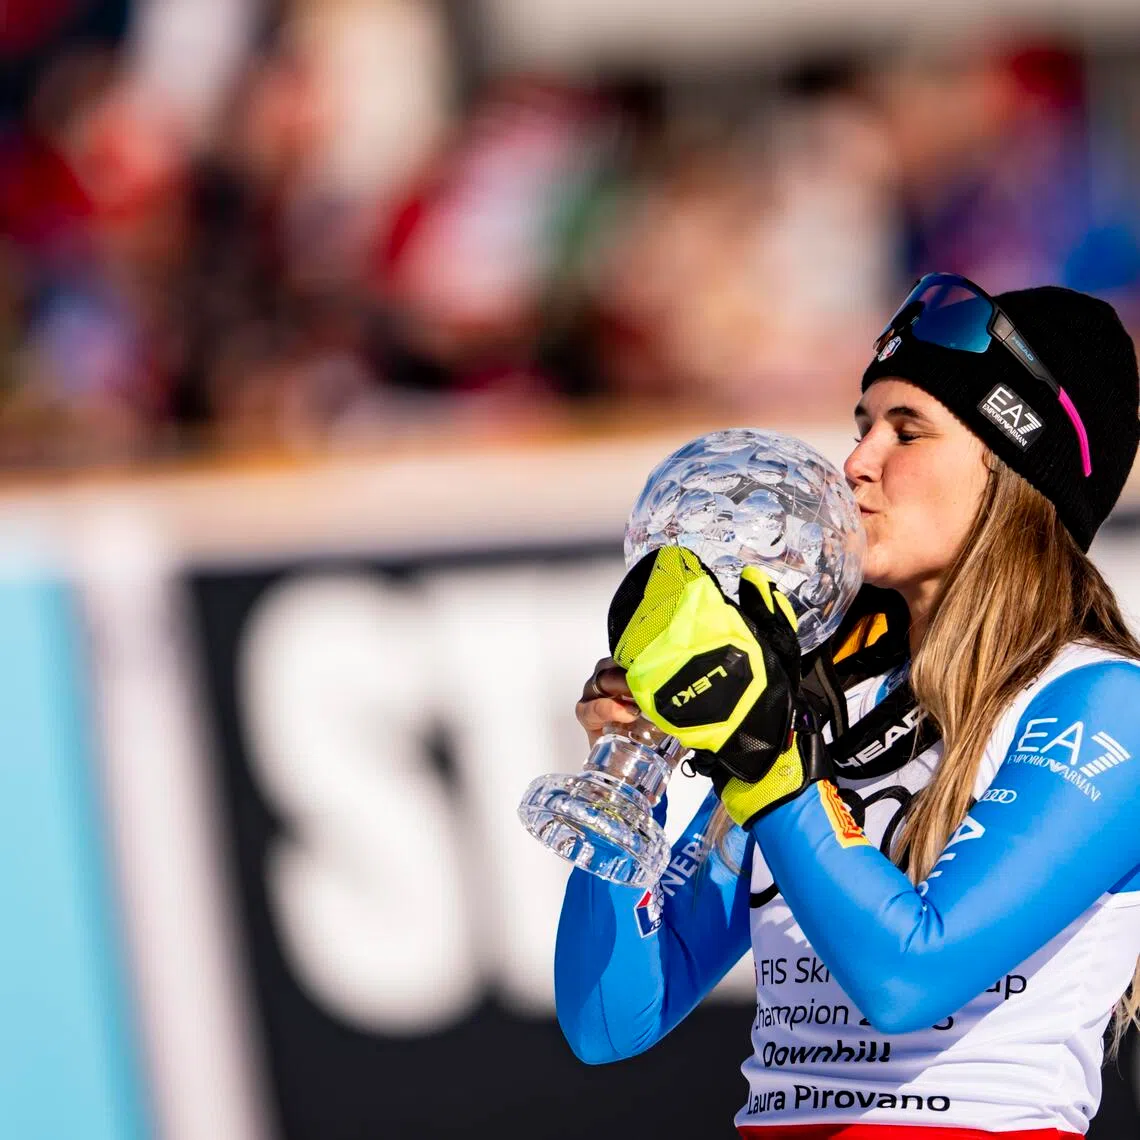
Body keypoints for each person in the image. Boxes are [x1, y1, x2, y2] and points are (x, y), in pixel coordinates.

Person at [555, 272, 1140, 1138]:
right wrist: (627, 783)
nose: (856, 463)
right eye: (862, 425)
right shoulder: (827, 699)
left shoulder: (1100, 702)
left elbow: (908, 977)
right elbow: (610, 1020)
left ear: (1013, 472)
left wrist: (769, 769)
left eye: (908, 431)